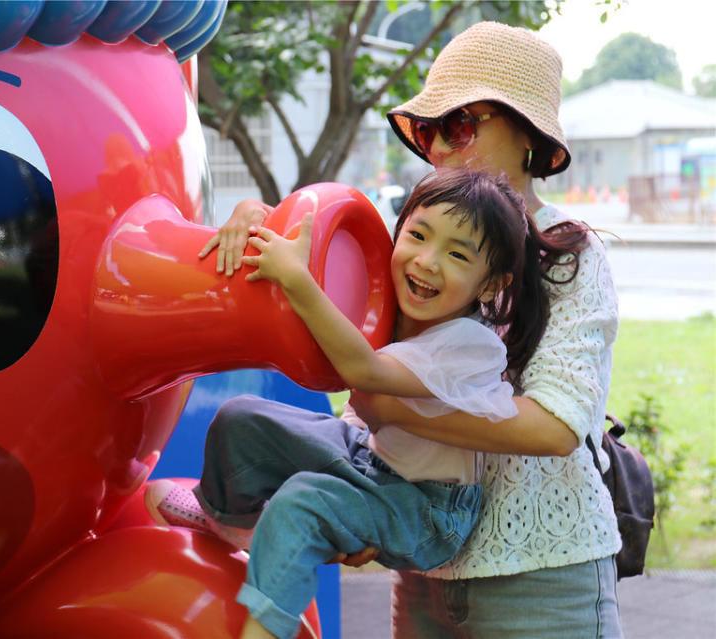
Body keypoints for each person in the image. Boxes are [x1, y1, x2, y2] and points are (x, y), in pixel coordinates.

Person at [146, 166, 591, 639]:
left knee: (303, 502)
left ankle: (267, 625)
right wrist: (249, 217)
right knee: (242, 419)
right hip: (371, 458)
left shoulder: (472, 346)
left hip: (430, 510)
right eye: (418, 235)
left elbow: (364, 372)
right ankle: (231, 520)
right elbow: (309, 236)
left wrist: (298, 281)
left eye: (457, 254)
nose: (426, 261)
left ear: (490, 285)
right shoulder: (397, 297)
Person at [349, 21, 622, 638]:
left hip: (546, 575)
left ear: (527, 136)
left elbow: (556, 426)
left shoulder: (568, 255)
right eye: (427, 130)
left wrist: (392, 410)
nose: (440, 149)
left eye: (461, 124)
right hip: (423, 564)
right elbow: (377, 374)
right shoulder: (419, 245)